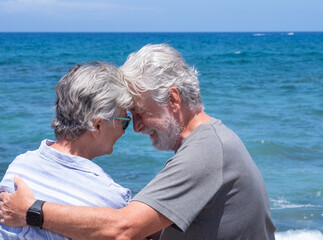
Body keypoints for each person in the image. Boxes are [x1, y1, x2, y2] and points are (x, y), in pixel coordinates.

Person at [0, 44, 276, 240]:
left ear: (173, 100)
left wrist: (33, 211)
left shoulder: (206, 151)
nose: (137, 127)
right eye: (129, 118)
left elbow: (124, 228)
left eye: (140, 114)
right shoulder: (207, 144)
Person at [0, 62, 133, 239]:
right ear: (97, 125)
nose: (124, 130)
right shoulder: (111, 198)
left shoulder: (20, 166)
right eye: (124, 121)